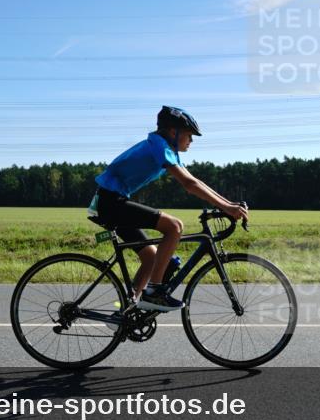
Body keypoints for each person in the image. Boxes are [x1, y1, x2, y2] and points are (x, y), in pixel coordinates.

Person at [89, 106, 248, 311]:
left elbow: (194, 180)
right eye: (189, 135)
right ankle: (154, 292)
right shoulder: (159, 147)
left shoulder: (163, 146)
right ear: (174, 132)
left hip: (111, 202)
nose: (191, 141)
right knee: (174, 226)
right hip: (110, 203)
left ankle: (127, 310)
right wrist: (227, 207)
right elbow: (189, 185)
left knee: (151, 258)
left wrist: (229, 205)